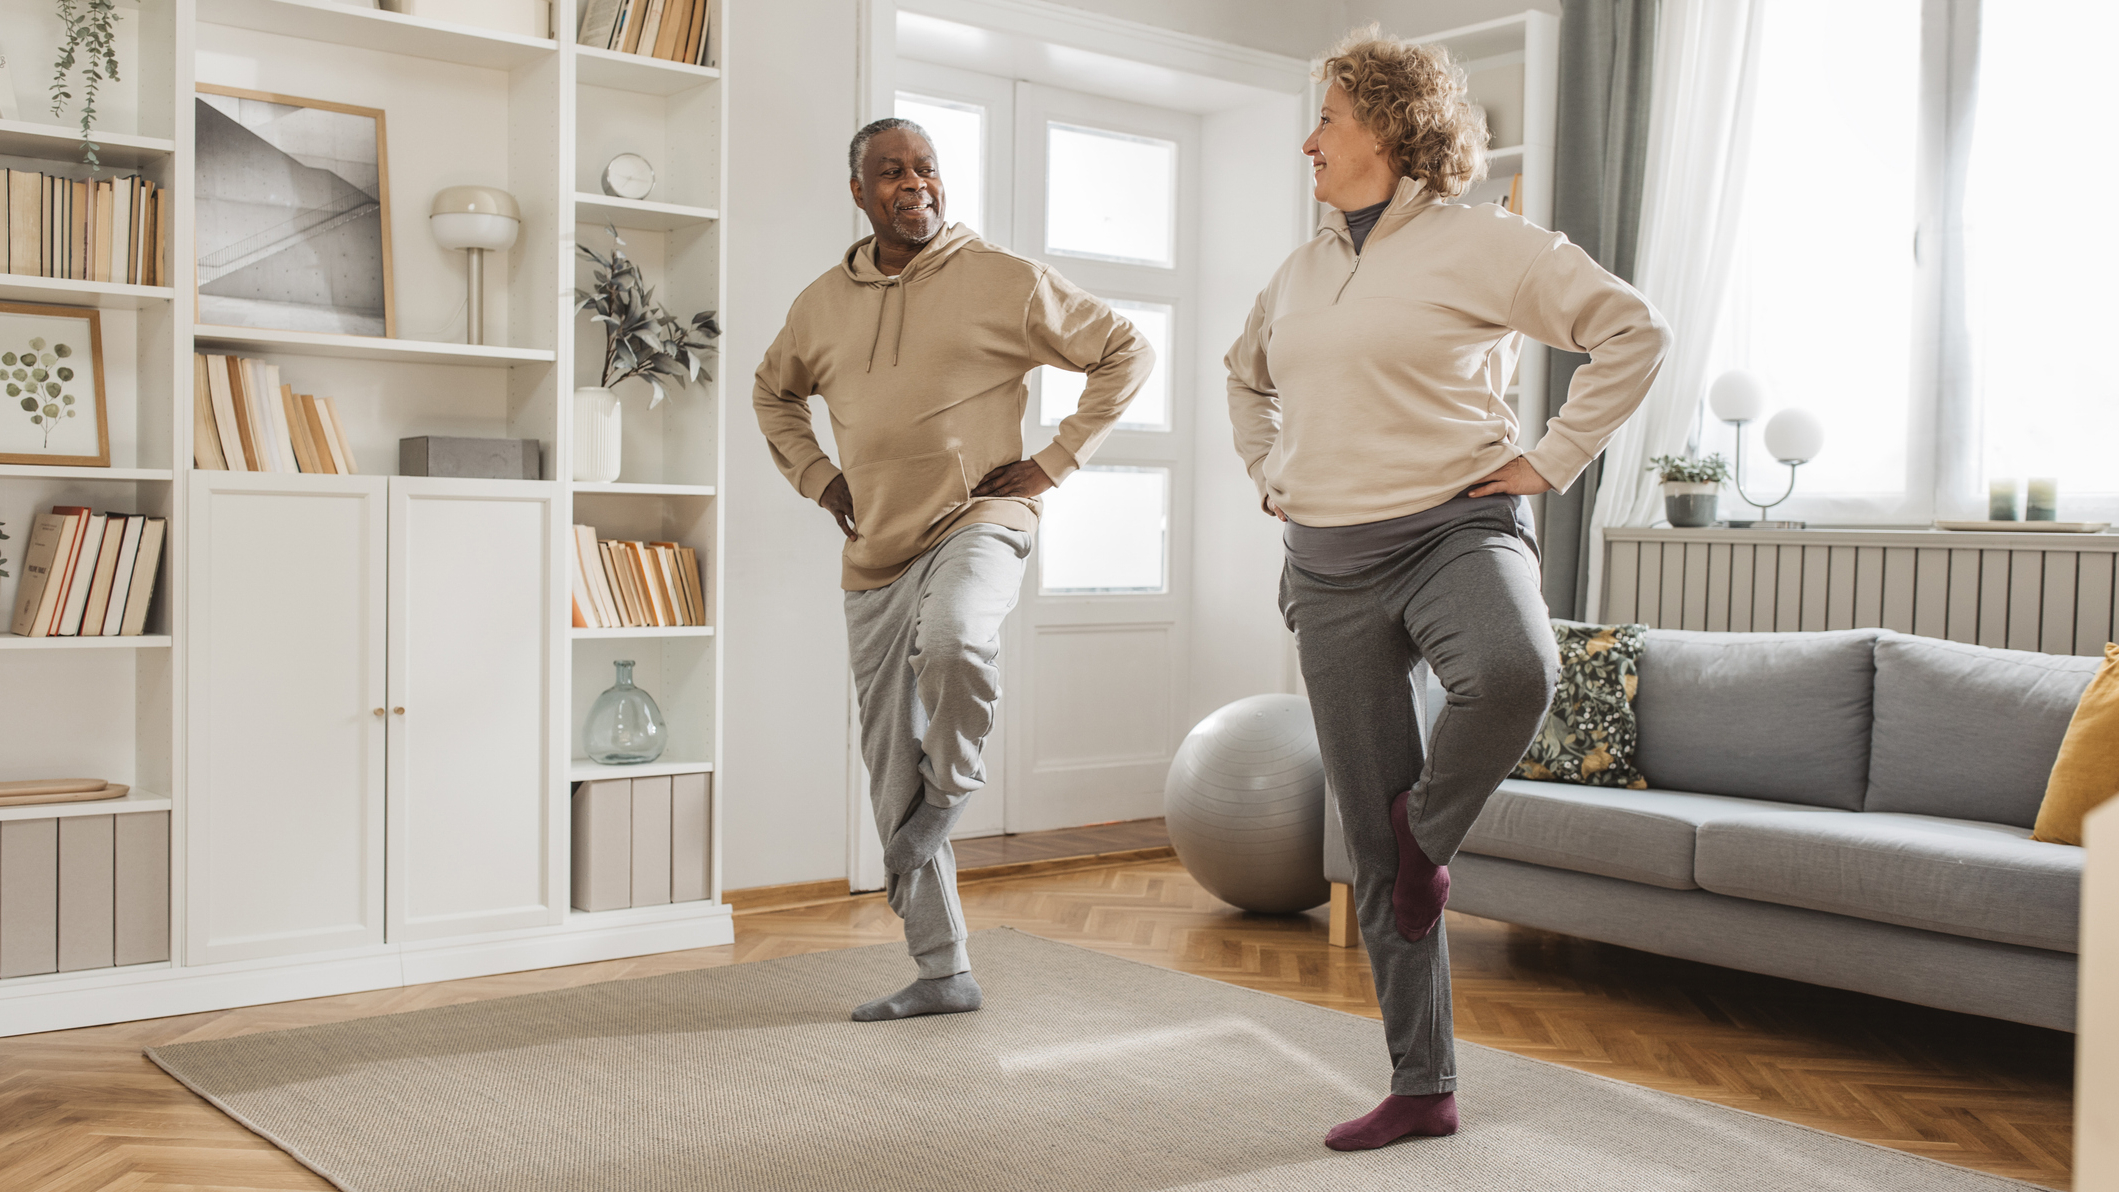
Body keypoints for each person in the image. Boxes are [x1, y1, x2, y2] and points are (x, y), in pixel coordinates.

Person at [1224, 29, 1671, 1149]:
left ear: (1387, 123)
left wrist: (1552, 457)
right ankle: (1421, 1085)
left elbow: (1631, 329)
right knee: (1367, 847)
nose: (1309, 139)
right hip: (1325, 565)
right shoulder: (1301, 268)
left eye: (1326, 115)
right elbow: (1243, 374)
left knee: (1518, 670)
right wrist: (1268, 467)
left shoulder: (1486, 245)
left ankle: (1426, 834)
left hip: (1454, 530)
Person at [754, 117, 1153, 1022]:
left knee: (957, 638)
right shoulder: (820, 304)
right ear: (858, 192)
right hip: (874, 552)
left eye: (926, 169)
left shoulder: (1002, 281)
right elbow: (771, 391)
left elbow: (1126, 348)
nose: (914, 184)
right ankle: (944, 971)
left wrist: (1055, 460)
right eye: (891, 172)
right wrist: (817, 477)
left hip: (981, 516)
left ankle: (955, 788)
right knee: (890, 765)